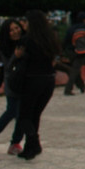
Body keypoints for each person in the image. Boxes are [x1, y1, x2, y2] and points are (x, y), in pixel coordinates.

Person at [14, 10, 60, 160]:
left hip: (32, 80)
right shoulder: (49, 39)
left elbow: (21, 60)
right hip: (48, 80)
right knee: (35, 114)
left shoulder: (27, 41)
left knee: (24, 116)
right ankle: (30, 148)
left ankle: (34, 142)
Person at [0, 19, 26, 154]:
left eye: (17, 28)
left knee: (23, 114)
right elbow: (7, 67)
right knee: (12, 110)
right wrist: (15, 56)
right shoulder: (4, 48)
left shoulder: (26, 41)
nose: (15, 32)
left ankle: (15, 143)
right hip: (13, 82)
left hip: (27, 81)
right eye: (12, 30)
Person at [61, 12, 85, 96]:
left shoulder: (71, 28)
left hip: (71, 51)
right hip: (82, 51)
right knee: (75, 70)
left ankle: (82, 86)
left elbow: (65, 41)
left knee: (75, 68)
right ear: (84, 20)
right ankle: (68, 89)